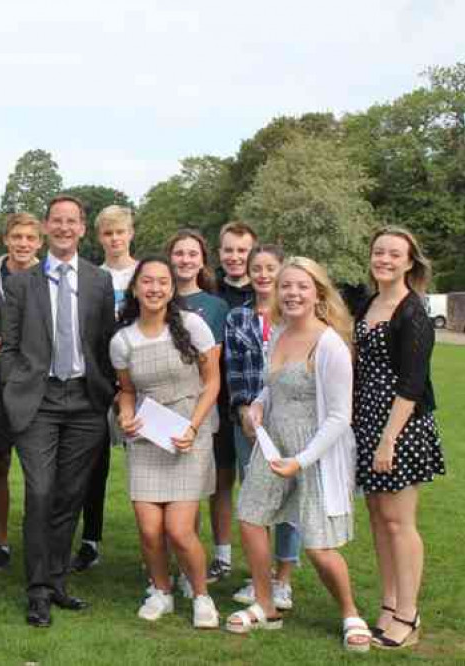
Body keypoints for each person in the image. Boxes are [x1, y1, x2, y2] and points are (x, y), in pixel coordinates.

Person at [227, 257, 372, 653]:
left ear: (318, 294)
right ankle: (265, 605)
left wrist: (302, 460)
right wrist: (257, 405)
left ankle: (349, 613)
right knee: (251, 517)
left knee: (319, 547)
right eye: (285, 286)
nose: (292, 293)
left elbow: (341, 417)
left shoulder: (330, 344)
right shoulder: (277, 334)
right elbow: (272, 387)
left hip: (316, 451)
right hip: (274, 445)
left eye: (301, 287)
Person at [0, 195, 117, 628]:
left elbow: (105, 341)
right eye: (57, 221)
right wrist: (16, 385)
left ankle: (56, 581)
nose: (65, 228)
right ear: (47, 227)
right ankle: (37, 591)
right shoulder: (20, 284)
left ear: (82, 228)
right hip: (39, 402)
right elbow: (8, 346)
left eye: (73, 221)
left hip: (85, 402)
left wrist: (104, 392)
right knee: (41, 492)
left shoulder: (98, 281)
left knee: (70, 497)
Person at [113, 258, 220, 628]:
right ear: (136, 288)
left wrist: (192, 426)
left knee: (178, 528)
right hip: (147, 437)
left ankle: (201, 594)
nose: (154, 288)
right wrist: (126, 416)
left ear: (172, 289)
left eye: (162, 282)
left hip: (188, 434)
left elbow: (212, 382)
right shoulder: (122, 339)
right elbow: (126, 391)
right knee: (149, 528)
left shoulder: (193, 326)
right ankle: (161, 591)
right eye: (147, 282)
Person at [354, 227, 444, 650]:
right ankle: (389, 605)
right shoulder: (367, 303)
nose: (384, 259)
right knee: (377, 519)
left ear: (409, 262)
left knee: (399, 522)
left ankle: (409, 613)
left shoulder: (414, 312)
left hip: (400, 427)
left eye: (394, 254)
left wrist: (388, 439)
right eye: (379, 252)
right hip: (366, 423)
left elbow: (412, 383)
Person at [225, 245, 301, 611]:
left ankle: (283, 580)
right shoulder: (237, 318)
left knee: (289, 501)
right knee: (255, 500)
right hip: (250, 424)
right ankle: (260, 577)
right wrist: (242, 410)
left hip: (291, 420)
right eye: (257, 268)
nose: (263, 274)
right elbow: (234, 367)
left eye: (271, 267)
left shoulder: (297, 316)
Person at [71, 205, 137, 572]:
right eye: (108, 233)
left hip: (138, 379)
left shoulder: (143, 273)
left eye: (120, 232)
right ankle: (90, 540)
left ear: (130, 233)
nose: (114, 239)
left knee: (148, 462)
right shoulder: (91, 276)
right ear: (99, 237)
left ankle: (158, 547)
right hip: (97, 380)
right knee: (94, 464)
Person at [0, 213, 42, 573]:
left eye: (29, 238)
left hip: (35, 383)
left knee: (39, 471)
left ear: (39, 242)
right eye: (16, 236)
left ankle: (39, 543)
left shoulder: (48, 278)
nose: (22, 243)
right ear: (6, 239)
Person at [166, 229, 226, 595]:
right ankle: (165, 568)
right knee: (163, 495)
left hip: (198, 411)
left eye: (192, 254)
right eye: (179, 253)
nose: (185, 260)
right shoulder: (157, 295)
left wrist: (196, 417)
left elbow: (211, 369)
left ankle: (189, 571)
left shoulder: (215, 306)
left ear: (202, 260)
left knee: (191, 495)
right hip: (160, 411)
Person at [206, 221, 258, 584]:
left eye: (243, 250)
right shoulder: (211, 292)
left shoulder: (268, 289)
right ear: (219, 253)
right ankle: (222, 557)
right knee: (220, 481)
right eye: (229, 250)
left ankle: (265, 564)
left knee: (259, 485)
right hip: (216, 402)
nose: (236, 257)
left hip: (256, 405)